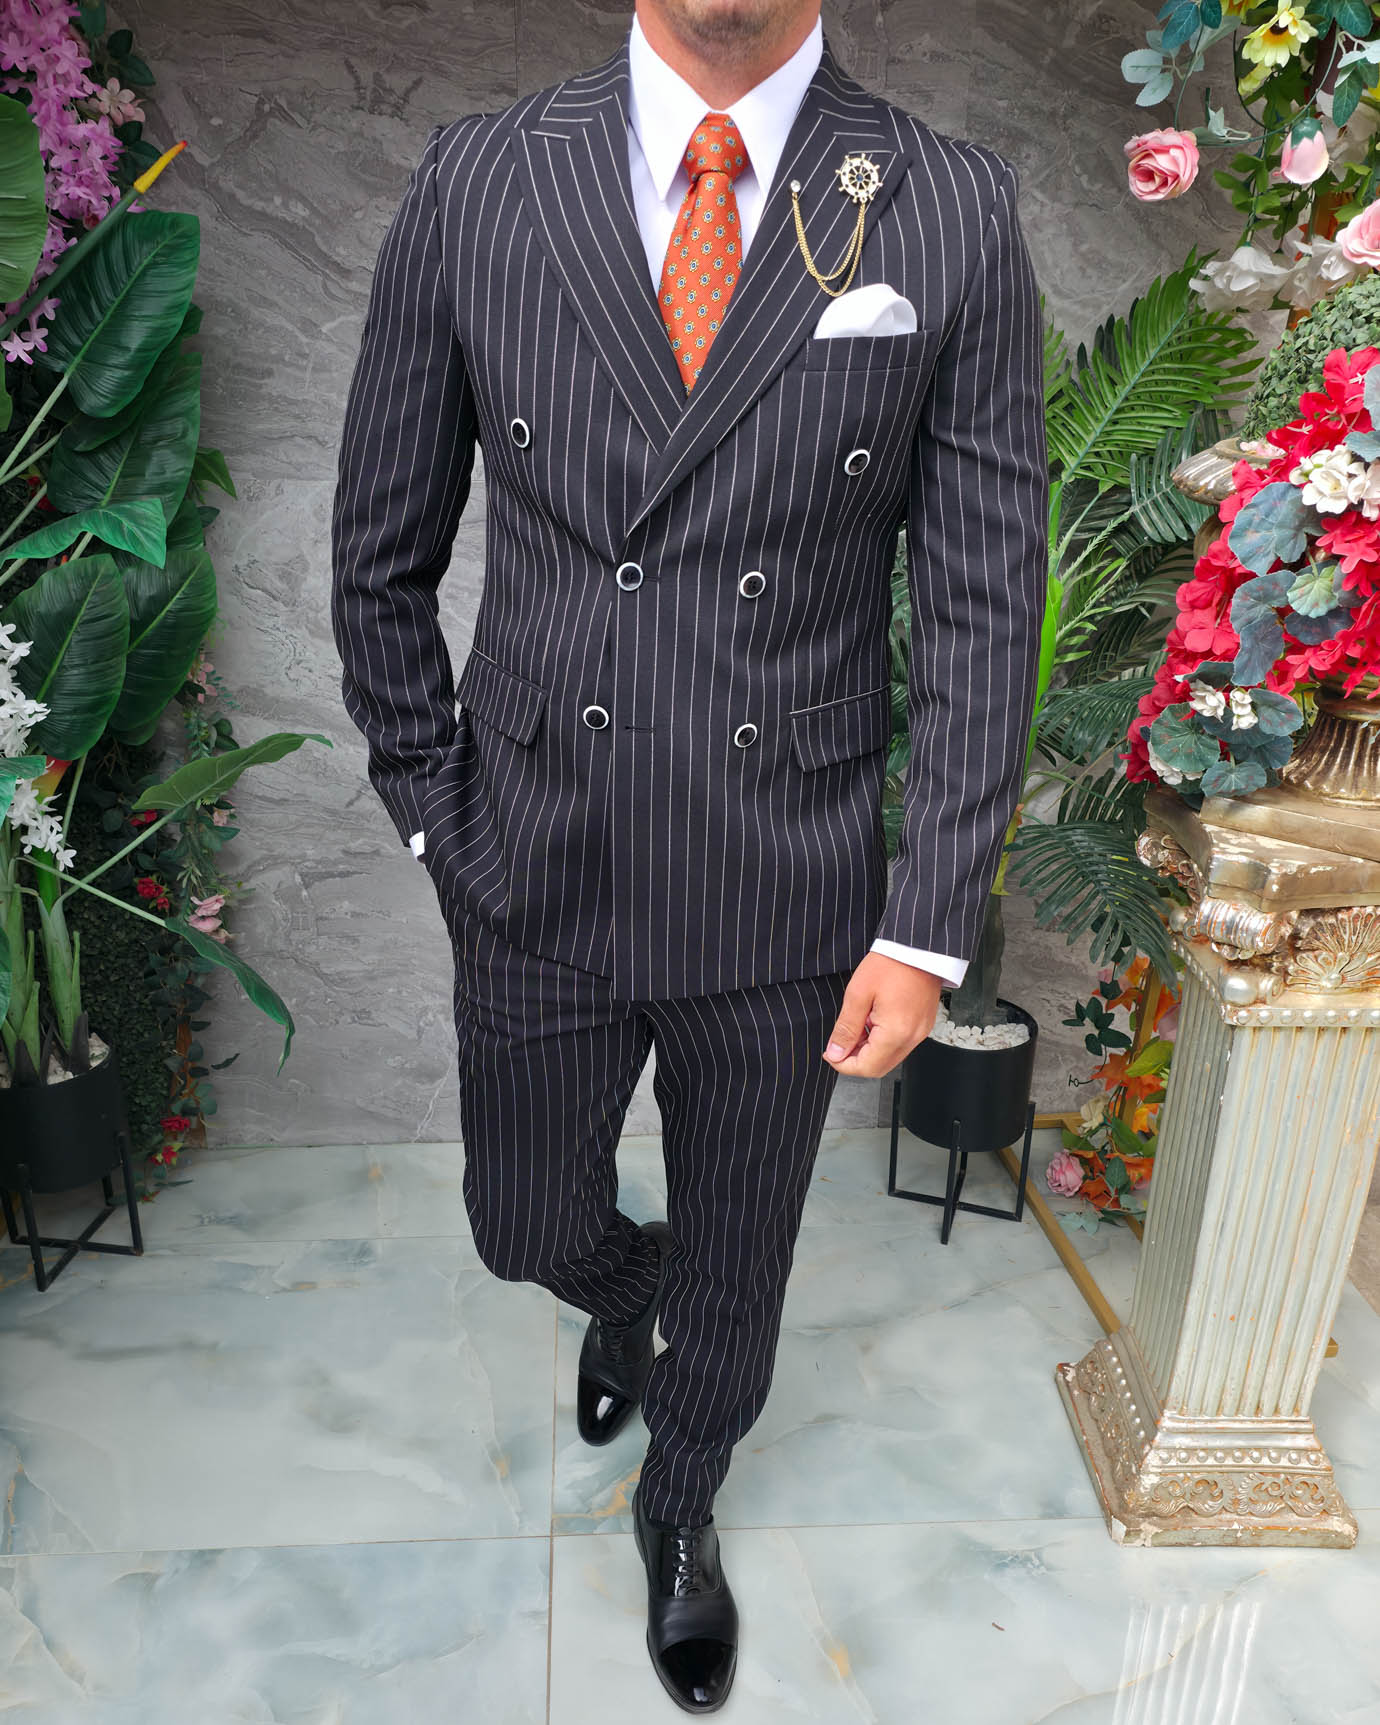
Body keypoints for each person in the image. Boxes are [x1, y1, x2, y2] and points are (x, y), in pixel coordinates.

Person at [330, 0, 1047, 1709]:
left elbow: (979, 598)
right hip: (534, 845)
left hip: (786, 866)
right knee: (520, 1220)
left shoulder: (946, 202)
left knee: (745, 1248)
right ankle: (619, 1287)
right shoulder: (478, 180)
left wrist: (928, 919)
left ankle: (683, 1496)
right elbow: (377, 549)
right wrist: (433, 803)